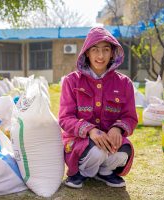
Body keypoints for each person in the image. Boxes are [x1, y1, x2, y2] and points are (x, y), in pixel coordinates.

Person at [58, 27, 137, 188]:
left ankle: (104, 171)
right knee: (96, 152)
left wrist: (117, 129)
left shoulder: (124, 83)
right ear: (87, 52)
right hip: (81, 143)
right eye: (95, 50)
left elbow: (130, 117)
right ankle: (80, 172)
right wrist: (91, 131)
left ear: (112, 53)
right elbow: (65, 118)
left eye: (106, 50)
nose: (100, 56)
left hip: (109, 142)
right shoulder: (71, 81)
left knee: (124, 151)